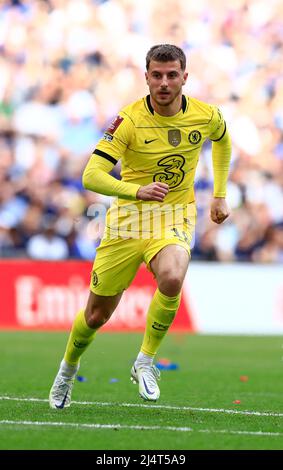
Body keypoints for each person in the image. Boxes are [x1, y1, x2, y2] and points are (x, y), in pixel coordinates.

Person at [49, 44, 231, 408]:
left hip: (175, 215)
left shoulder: (205, 115)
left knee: (173, 276)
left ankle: (145, 361)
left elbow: (223, 141)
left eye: (172, 75)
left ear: (184, 77)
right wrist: (136, 190)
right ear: (146, 77)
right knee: (96, 315)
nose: (164, 82)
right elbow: (91, 175)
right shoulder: (128, 120)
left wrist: (219, 194)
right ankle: (67, 370)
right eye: (157, 75)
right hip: (129, 220)